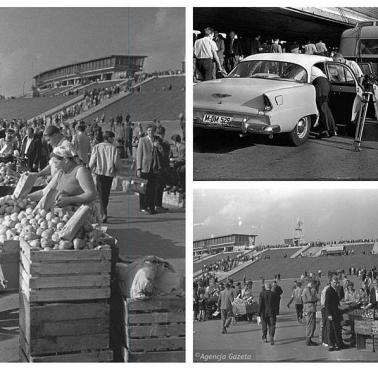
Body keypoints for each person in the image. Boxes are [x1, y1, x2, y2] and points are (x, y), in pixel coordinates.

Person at [29, 145, 97, 208]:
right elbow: (44, 192)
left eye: (56, 162)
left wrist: (69, 200)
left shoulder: (80, 171)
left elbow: (91, 194)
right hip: (63, 215)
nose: (55, 166)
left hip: (78, 214)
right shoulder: (61, 173)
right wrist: (27, 197)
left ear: (66, 160)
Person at [89, 131, 121, 223]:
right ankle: (103, 212)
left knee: (101, 193)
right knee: (106, 194)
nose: (113, 139)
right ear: (108, 138)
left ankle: (103, 212)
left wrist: (89, 169)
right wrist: (118, 169)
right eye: (112, 137)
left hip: (99, 172)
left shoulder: (97, 147)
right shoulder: (113, 148)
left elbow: (92, 160)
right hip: (109, 173)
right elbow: (116, 162)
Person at [136, 124, 163, 215]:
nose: (150, 132)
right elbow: (139, 155)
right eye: (148, 130)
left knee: (152, 189)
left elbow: (162, 152)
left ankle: (151, 207)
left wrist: (158, 146)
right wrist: (138, 168)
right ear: (146, 131)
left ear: (154, 131)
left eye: (152, 130)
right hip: (144, 168)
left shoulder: (157, 140)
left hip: (154, 168)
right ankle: (143, 207)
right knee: (143, 188)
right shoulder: (142, 140)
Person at [311, 66, 337, 138]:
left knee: (322, 107)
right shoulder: (314, 67)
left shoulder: (305, 64)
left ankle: (329, 129)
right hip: (324, 82)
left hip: (320, 83)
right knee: (323, 107)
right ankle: (328, 128)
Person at [325, 275, 345, 351]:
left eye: (337, 282)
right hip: (331, 313)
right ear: (331, 282)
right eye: (334, 282)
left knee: (335, 329)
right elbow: (327, 304)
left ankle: (336, 344)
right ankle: (332, 345)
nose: (336, 284)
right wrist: (329, 314)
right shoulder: (329, 290)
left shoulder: (335, 290)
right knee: (332, 329)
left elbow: (335, 302)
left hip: (336, 312)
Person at [154, 126, 171, 211]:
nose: (160, 136)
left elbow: (165, 155)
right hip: (160, 167)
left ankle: (157, 205)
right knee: (159, 187)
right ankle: (157, 205)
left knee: (159, 187)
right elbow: (165, 156)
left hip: (160, 167)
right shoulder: (162, 143)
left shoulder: (163, 143)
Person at [302, 280, 319, 346]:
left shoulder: (307, 289)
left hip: (309, 308)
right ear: (312, 284)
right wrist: (316, 299)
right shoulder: (307, 289)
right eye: (314, 285)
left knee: (312, 324)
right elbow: (311, 298)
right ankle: (308, 340)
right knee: (310, 324)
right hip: (309, 308)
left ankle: (309, 339)